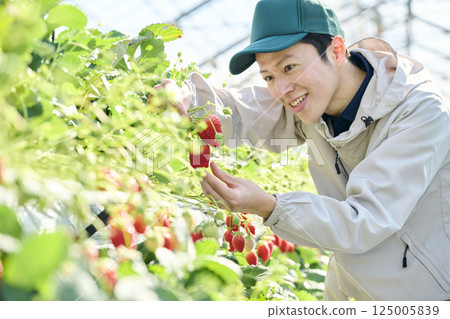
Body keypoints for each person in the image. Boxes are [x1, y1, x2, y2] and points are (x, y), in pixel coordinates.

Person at [159, 0, 450, 300]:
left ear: (336, 51)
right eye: (269, 77)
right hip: (349, 294)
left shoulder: (419, 111)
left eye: (289, 67)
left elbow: (365, 219)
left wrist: (270, 206)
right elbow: (242, 111)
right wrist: (185, 98)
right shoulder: (310, 104)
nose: (281, 89)